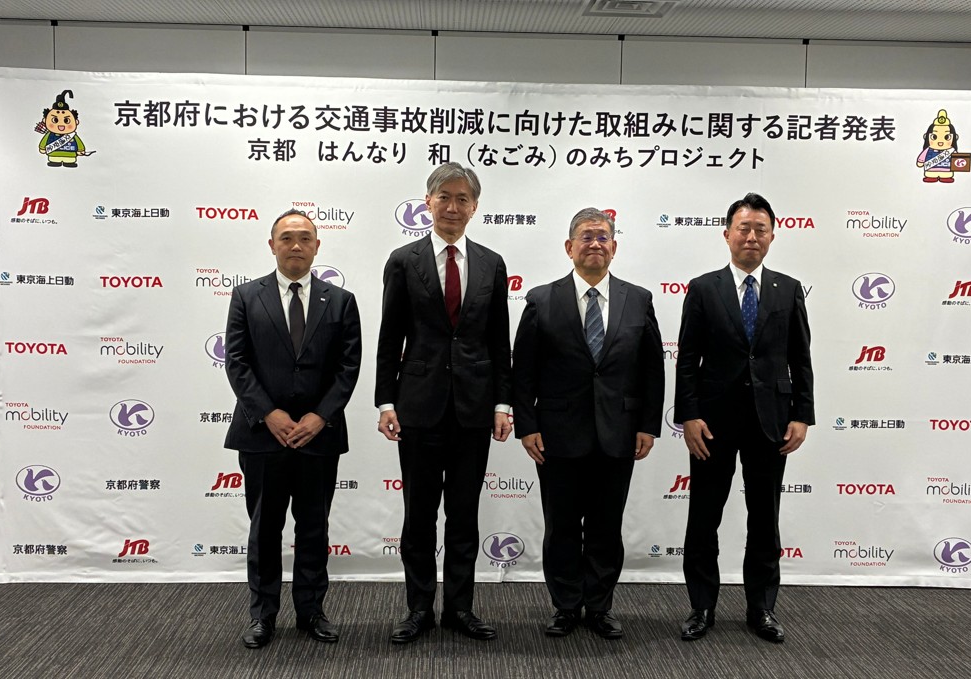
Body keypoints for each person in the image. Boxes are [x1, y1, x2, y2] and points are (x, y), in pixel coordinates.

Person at [375, 162, 513, 644]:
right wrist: (385, 401)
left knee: (464, 514)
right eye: (444, 197)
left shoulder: (492, 263)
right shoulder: (403, 260)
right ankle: (418, 609)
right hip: (418, 406)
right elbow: (389, 337)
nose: (453, 207)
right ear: (428, 202)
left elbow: (499, 340)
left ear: (474, 207)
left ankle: (459, 608)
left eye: (462, 199)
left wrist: (503, 404)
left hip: (474, 408)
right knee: (418, 516)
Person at [513, 207, 664, 640]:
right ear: (569, 247)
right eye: (586, 236)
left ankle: (599, 605)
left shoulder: (639, 299)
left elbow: (652, 369)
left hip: (619, 433)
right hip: (557, 434)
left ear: (614, 247)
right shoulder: (542, 299)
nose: (595, 243)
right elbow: (523, 369)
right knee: (561, 525)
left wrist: (648, 425)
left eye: (602, 237)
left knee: (605, 526)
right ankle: (565, 605)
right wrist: (527, 425)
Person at [674, 193, 813, 644]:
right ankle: (701, 607)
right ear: (727, 234)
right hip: (712, 423)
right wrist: (689, 415)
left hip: (771, 421)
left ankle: (762, 609)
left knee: (765, 517)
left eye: (760, 229)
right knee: (704, 516)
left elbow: (801, 358)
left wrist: (802, 415)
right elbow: (686, 360)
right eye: (743, 228)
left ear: (772, 235)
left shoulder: (788, 289)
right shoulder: (703, 288)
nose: (751, 236)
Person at [224, 209, 362, 649]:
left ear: (317, 245)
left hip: (319, 436)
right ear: (272, 245)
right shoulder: (247, 296)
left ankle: (311, 611)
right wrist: (269, 414)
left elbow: (348, 367)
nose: (296, 245)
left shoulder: (340, 301)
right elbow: (237, 362)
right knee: (264, 530)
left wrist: (320, 416)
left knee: (314, 528)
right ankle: (262, 615)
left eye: (305, 237)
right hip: (263, 436)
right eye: (286, 237)